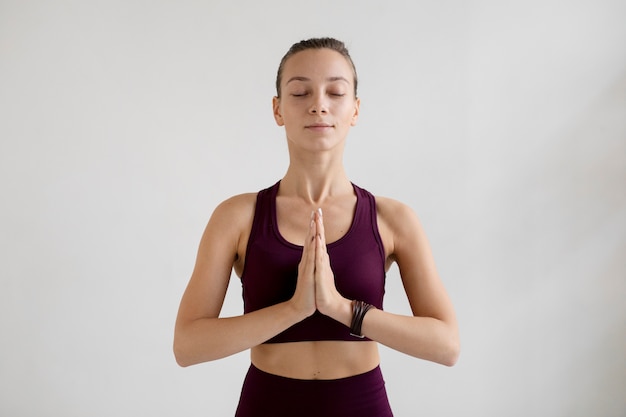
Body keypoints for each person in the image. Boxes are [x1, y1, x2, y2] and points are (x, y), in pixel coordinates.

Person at [174, 37, 460, 417]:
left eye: (336, 92)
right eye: (299, 92)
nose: (318, 104)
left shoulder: (393, 219)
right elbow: (188, 345)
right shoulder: (237, 217)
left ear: (355, 109)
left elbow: (446, 345)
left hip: (361, 405)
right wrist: (294, 309)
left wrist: (343, 309)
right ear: (277, 110)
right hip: (267, 404)